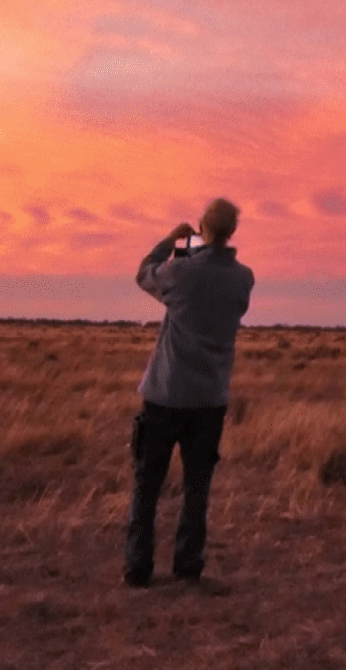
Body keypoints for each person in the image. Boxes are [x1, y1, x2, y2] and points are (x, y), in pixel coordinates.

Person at [126, 198, 254, 588]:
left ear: (201, 228)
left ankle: (138, 565)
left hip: (166, 393)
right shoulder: (243, 278)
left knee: (147, 484)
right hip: (210, 399)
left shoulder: (180, 273)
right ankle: (188, 563)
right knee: (198, 486)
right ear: (232, 231)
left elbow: (145, 275)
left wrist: (171, 242)